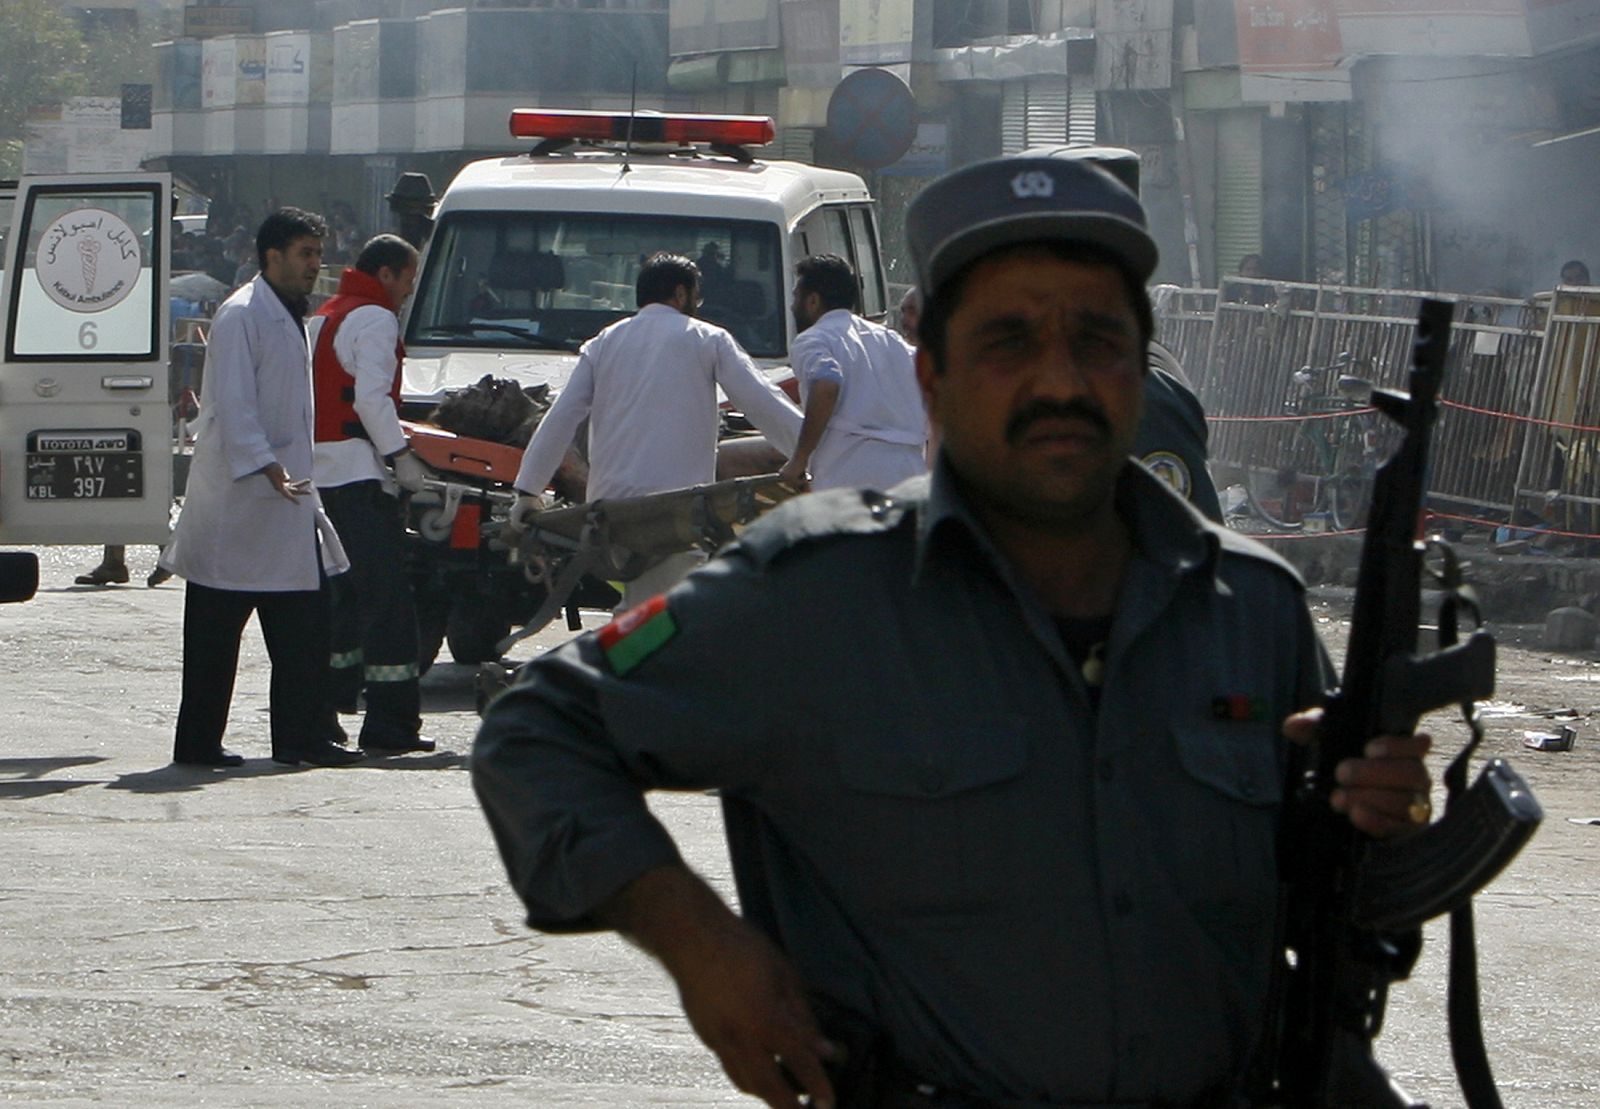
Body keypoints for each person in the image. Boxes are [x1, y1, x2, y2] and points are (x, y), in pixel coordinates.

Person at [471, 158, 1434, 1107]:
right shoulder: (815, 592)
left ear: (1142, 363)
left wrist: (1374, 814)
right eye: (1009, 342)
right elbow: (540, 732)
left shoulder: (1251, 609)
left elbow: (1338, 912)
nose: (1059, 381)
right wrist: (701, 947)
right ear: (932, 374)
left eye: (1097, 338)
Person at [158, 209, 360, 769]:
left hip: (286, 502)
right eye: (304, 255)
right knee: (214, 643)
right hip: (239, 505)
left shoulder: (289, 315)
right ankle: (198, 745)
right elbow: (233, 404)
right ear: (272, 256)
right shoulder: (241, 314)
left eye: (318, 255)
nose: (314, 267)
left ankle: (301, 740)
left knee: (304, 632)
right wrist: (265, 464)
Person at [511, 251, 803, 607]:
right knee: (663, 620)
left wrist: (527, 490)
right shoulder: (707, 339)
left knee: (643, 609)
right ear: (680, 294)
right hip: (676, 514)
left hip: (609, 515)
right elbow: (762, 403)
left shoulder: (605, 342)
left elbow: (562, 417)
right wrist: (814, 454)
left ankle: (624, 654)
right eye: (697, 296)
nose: (698, 304)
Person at [310, 234, 436, 756]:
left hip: (317, 477)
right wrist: (402, 457)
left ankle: (328, 708)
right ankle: (391, 724)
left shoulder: (325, 315)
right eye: (407, 278)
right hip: (359, 477)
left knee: (339, 599)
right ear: (385, 275)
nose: (408, 290)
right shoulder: (376, 319)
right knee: (387, 604)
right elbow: (370, 399)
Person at [779, 254, 927, 492]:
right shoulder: (890, 339)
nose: (792, 305)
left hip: (849, 477)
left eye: (796, 296)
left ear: (813, 301)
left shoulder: (814, 340)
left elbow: (827, 383)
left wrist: (799, 460)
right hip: (909, 475)